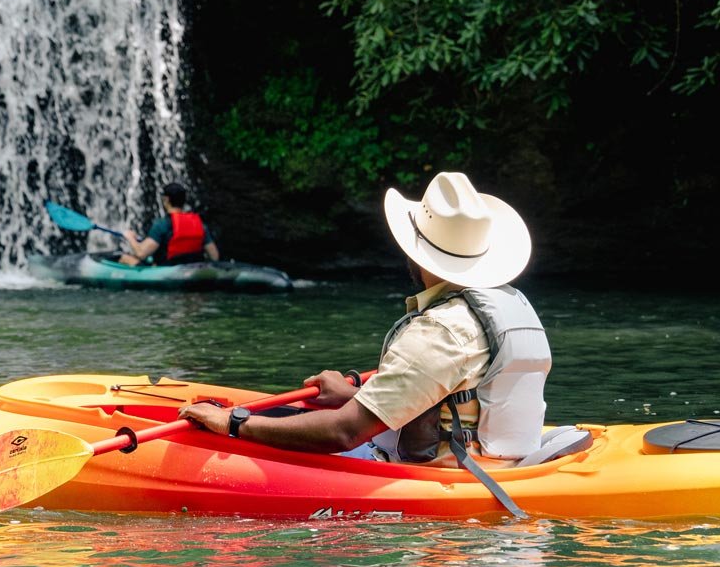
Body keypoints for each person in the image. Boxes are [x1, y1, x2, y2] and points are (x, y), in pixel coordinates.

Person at [179, 172, 552, 480]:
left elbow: (343, 432)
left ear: (415, 250)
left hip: (445, 477)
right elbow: (451, 401)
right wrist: (350, 395)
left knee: (253, 435)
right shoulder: (510, 306)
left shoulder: (439, 332)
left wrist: (233, 422)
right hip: (505, 464)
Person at [119, 182, 221, 266]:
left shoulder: (162, 225)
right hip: (192, 268)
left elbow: (141, 253)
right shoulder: (199, 225)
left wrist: (130, 237)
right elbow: (214, 256)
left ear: (166, 200)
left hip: (167, 270)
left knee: (125, 258)